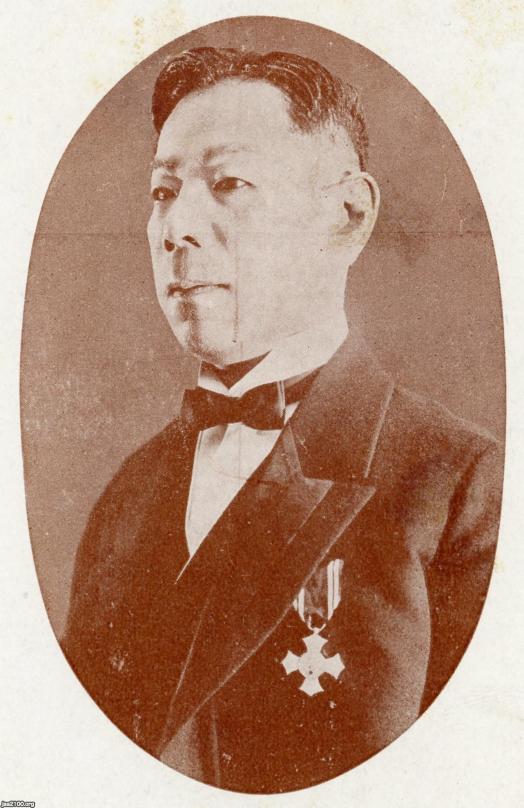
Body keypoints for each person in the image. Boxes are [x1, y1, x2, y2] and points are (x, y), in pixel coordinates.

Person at [62, 47, 503, 794]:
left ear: (347, 216)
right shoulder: (128, 495)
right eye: (163, 191)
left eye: (230, 183)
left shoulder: (462, 486)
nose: (175, 228)